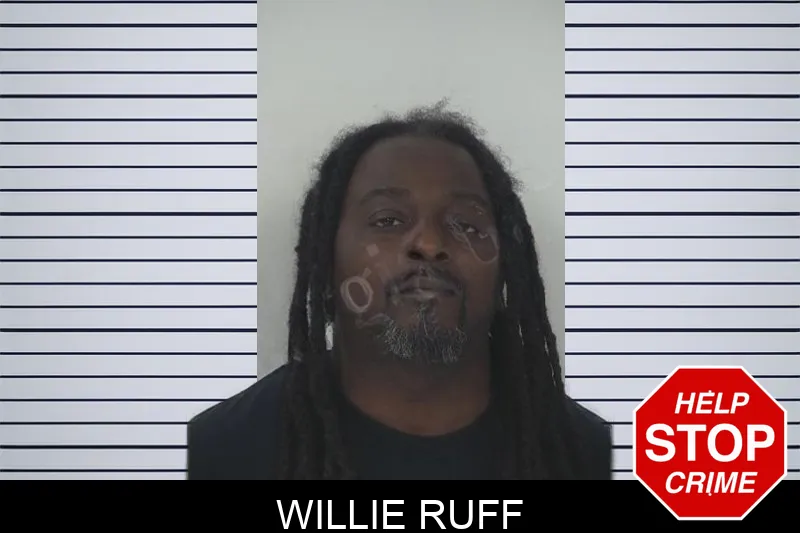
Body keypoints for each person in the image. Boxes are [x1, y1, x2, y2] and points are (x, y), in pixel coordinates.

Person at [186, 104, 613, 480]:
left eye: (466, 225)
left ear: (505, 267)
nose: (429, 243)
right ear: (325, 259)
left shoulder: (592, 457)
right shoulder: (217, 453)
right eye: (388, 220)